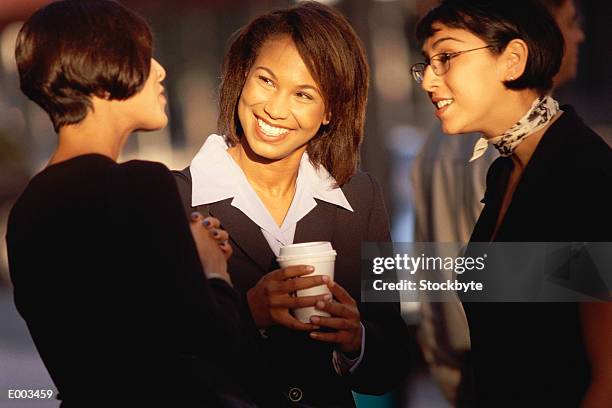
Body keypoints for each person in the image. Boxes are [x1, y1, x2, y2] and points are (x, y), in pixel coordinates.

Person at [6, 1, 263, 406]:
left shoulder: (26, 212)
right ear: (103, 69)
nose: (159, 70)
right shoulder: (140, 184)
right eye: (143, 56)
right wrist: (213, 270)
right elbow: (214, 342)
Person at [174, 2, 412, 406]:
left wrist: (357, 339)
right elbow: (155, 355)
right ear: (242, 77)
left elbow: (389, 363)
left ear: (330, 111)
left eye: (303, 94)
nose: (275, 108)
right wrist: (246, 315)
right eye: (266, 80)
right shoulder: (176, 198)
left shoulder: (359, 195)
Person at [411, 0, 612, 406]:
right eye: (427, 63)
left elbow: (607, 377)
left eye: (446, 57)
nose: (429, 81)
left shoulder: (583, 173)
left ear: (513, 60)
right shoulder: (504, 170)